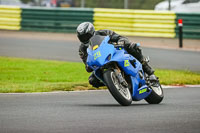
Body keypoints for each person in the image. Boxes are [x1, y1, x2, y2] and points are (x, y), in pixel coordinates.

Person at [77, 22, 158, 88]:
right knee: (92, 80)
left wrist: (121, 41)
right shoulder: (82, 49)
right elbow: (87, 63)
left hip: (116, 52)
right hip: (101, 62)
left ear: (92, 32)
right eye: (82, 37)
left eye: (86, 36)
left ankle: (150, 72)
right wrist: (88, 66)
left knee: (132, 46)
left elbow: (120, 37)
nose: (85, 39)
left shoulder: (103, 33)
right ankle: (113, 84)